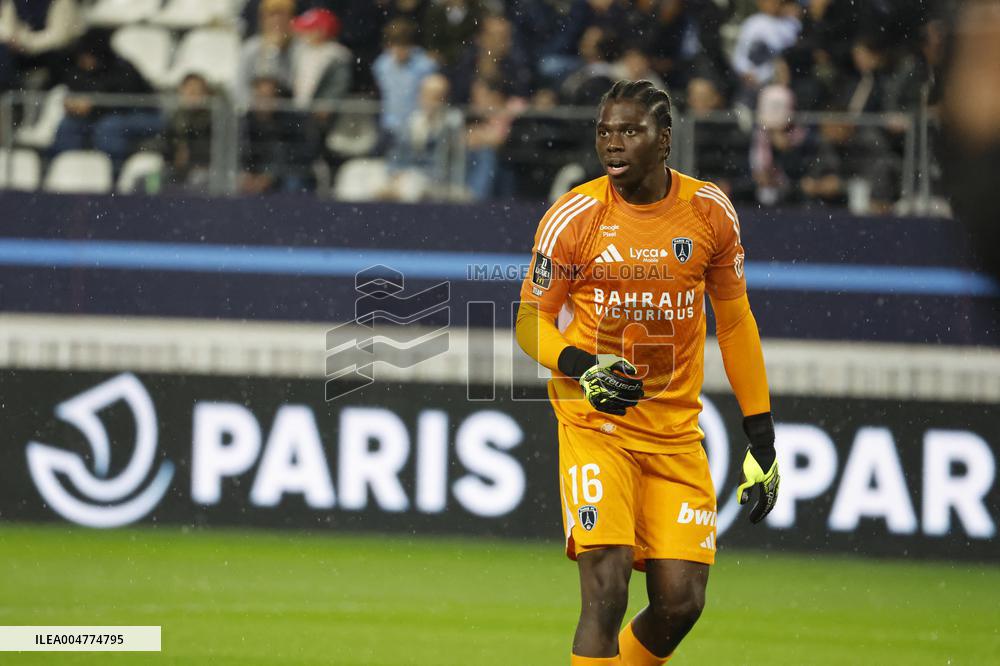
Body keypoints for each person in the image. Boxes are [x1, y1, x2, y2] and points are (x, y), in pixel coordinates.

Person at [515, 79, 780, 665]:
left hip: (675, 432)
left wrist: (761, 437)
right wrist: (584, 366)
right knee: (606, 591)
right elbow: (530, 319)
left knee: (681, 601)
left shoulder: (708, 211)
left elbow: (735, 324)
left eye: (629, 131)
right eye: (605, 131)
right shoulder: (575, 216)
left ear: (664, 140)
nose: (613, 143)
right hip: (595, 425)